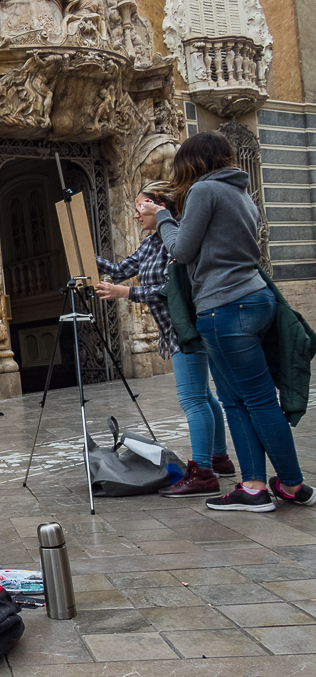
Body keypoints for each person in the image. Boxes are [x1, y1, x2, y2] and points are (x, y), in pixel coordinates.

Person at [140, 131, 315, 511]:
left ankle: (267, 487)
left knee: (250, 401)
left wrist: (164, 216)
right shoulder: (241, 194)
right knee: (244, 400)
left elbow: (182, 250)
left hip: (224, 307)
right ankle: (276, 484)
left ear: (194, 162)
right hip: (255, 298)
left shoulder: (205, 191)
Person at [95, 182, 234, 497]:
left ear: (158, 203)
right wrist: (83, 256)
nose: (135, 214)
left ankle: (203, 473)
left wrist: (126, 293)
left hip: (187, 329)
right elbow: (118, 270)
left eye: (140, 206)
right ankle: (218, 458)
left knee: (193, 400)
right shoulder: (149, 244)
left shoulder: (179, 238)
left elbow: (169, 290)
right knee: (204, 396)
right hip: (176, 331)